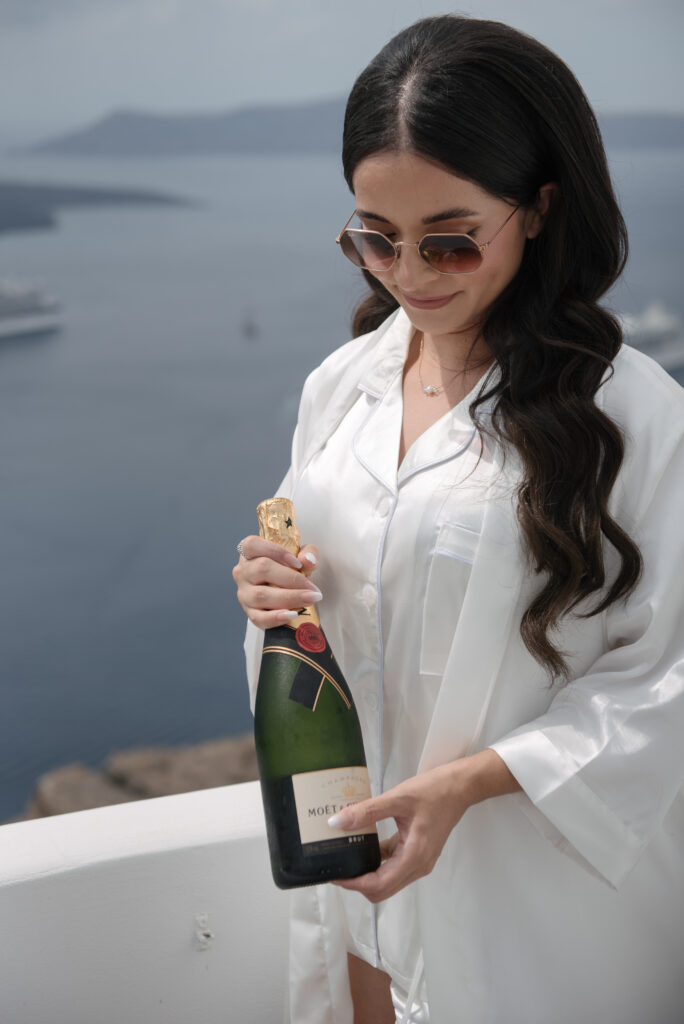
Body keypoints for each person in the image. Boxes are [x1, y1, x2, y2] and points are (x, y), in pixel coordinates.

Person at [233, 15, 684, 1024]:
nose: (408, 273)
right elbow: (332, 610)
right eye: (373, 236)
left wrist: (472, 782)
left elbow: (671, 673)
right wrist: (272, 597)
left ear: (539, 206)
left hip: (537, 895)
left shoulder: (633, 416)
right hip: (359, 878)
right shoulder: (341, 388)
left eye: (450, 238)